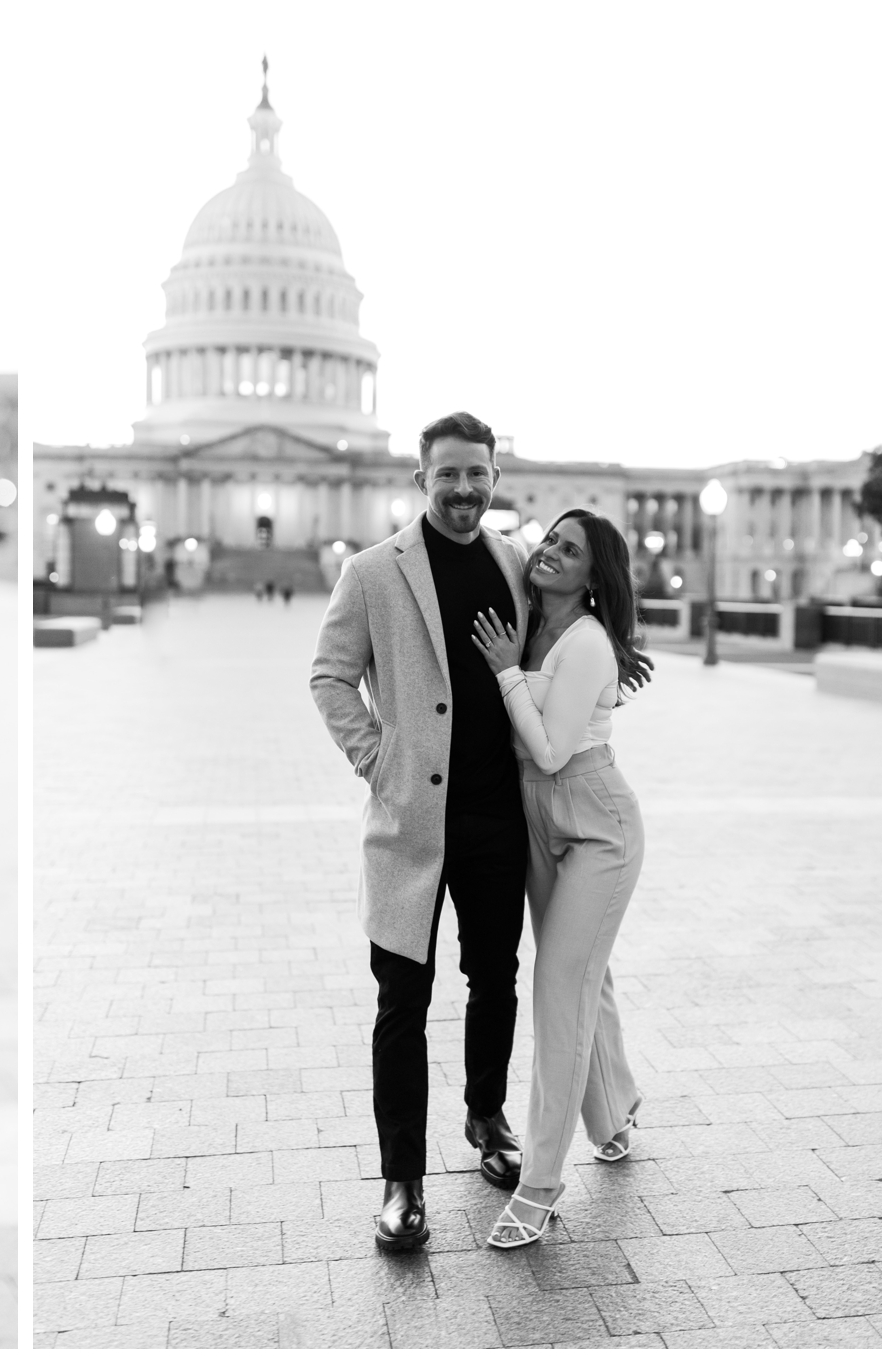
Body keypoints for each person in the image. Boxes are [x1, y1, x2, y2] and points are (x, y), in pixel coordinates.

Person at [309, 411, 532, 1252]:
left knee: (495, 979)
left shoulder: (514, 564)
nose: (466, 490)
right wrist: (380, 762)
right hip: (411, 821)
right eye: (450, 475)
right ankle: (402, 1179)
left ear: (493, 477)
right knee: (402, 1002)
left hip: (495, 816)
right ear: (422, 480)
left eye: (478, 474)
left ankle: (486, 1118)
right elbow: (329, 676)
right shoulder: (373, 573)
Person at [469, 509, 651, 1248]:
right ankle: (612, 1116)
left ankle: (540, 1186)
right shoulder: (528, 618)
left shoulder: (585, 644)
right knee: (587, 978)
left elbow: (548, 752)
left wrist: (507, 672)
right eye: (550, 540)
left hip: (596, 823)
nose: (550, 552)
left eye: (570, 551)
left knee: (559, 991)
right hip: (538, 819)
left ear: (594, 577)